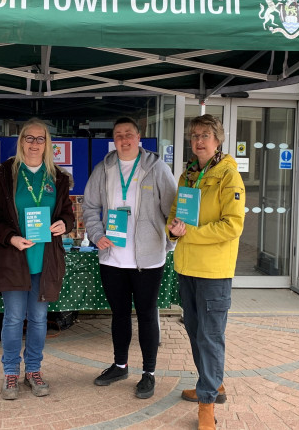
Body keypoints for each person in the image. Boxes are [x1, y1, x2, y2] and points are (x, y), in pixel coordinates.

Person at [82, 117, 176, 399]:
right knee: (119, 314)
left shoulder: (157, 168)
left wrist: (171, 238)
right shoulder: (104, 168)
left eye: (129, 134)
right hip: (112, 256)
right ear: (113, 139)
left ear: (139, 138)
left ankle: (149, 373)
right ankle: (120, 364)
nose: (124, 139)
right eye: (119, 135)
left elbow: (172, 210)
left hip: (147, 258)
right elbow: (89, 207)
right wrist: (96, 235)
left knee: (147, 315)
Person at [0, 118, 75, 400]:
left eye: (40, 139)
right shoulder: (5, 174)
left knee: (38, 319)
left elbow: (67, 213)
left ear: (47, 143)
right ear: (21, 140)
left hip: (45, 260)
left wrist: (64, 223)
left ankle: (33, 370)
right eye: (29, 138)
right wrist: (11, 238)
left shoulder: (58, 177)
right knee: (13, 318)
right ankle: (11, 372)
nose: (34, 144)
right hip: (14, 258)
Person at [167, 115, 245, 430]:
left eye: (206, 135)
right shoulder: (188, 174)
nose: (199, 140)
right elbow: (175, 214)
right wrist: (172, 231)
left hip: (214, 270)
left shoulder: (229, 176)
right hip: (187, 267)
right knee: (196, 332)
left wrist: (190, 233)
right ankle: (212, 383)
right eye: (195, 135)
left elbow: (233, 225)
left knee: (210, 337)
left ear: (218, 140)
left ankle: (207, 402)